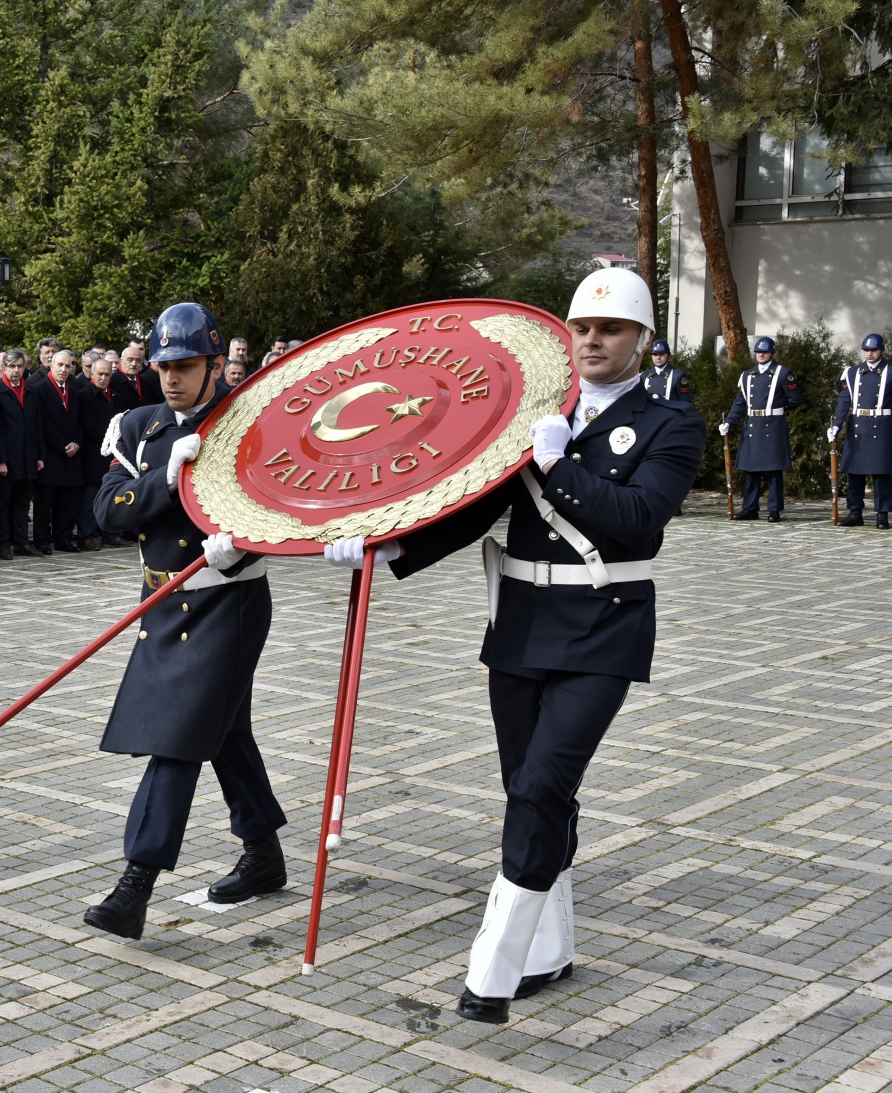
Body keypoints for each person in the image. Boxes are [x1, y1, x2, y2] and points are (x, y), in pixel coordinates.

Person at [326, 267, 703, 1024]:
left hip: (604, 630)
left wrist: (561, 463)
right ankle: (550, 949)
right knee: (529, 788)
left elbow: (638, 517)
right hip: (521, 626)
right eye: (584, 328)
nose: (593, 340)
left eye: (612, 329)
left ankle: (491, 974)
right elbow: (474, 506)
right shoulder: (537, 410)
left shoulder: (671, 424)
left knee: (540, 787)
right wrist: (387, 550)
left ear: (643, 340)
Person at [83, 302, 286, 941]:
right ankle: (264, 854)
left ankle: (135, 884)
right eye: (164, 364)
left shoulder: (248, 423)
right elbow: (108, 511)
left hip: (228, 600)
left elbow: (280, 504)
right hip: (163, 600)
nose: (171, 377)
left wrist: (244, 544)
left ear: (216, 364)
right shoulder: (140, 428)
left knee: (176, 738)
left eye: (187, 365)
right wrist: (166, 483)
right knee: (222, 732)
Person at [830, 333, 892, 529]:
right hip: (857, 424)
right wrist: (836, 425)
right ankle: (855, 512)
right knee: (854, 472)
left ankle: (882, 514)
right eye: (866, 350)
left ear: (881, 350)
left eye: (873, 350)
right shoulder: (852, 372)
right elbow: (844, 401)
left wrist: (885, 415)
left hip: (880, 426)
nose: (869, 353)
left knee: (881, 473)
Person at [720, 336, 802, 522]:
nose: (761, 355)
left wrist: (778, 411)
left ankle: (774, 510)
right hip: (753, 427)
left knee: (774, 471)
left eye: (764, 352)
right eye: (758, 352)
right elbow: (740, 403)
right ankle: (750, 508)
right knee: (751, 470)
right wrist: (729, 422)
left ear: (772, 353)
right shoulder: (747, 375)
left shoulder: (783, 373)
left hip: (773, 426)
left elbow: (795, 399)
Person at [0, 350, 42, 558]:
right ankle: (3, 543)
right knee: (3, 503)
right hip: (8, 458)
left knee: (22, 502)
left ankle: (21, 542)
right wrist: (0, 460)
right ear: (3, 368)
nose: (16, 370)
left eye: (20, 366)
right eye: (11, 366)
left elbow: (38, 425)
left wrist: (39, 456)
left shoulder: (31, 390)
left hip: (28, 456)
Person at [33, 348, 83, 554]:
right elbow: (41, 423)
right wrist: (62, 445)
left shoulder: (75, 389)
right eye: (59, 365)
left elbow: (81, 421)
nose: (63, 369)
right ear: (50, 366)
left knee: (68, 501)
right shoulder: (38, 389)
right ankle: (42, 540)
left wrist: (77, 443)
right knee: (45, 502)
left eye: (67, 366)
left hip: (72, 453)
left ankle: (63, 538)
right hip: (52, 453)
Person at [76, 355, 118, 550]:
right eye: (100, 373)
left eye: (107, 374)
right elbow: (89, 426)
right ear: (91, 373)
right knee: (90, 496)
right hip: (93, 454)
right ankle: (86, 535)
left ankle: (109, 533)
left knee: (110, 493)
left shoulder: (114, 394)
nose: (103, 378)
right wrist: (112, 437)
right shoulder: (84, 395)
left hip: (113, 453)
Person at [110, 340, 161, 413]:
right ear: (121, 361)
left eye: (138, 360)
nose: (134, 364)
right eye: (130, 360)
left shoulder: (146, 382)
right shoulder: (112, 382)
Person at [641, 339, 690, 404]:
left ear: (668, 355)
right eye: (655, 354)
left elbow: (685, 403)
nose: (658, 357)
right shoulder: (644, 376)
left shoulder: (678, 375)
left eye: (661, 354)